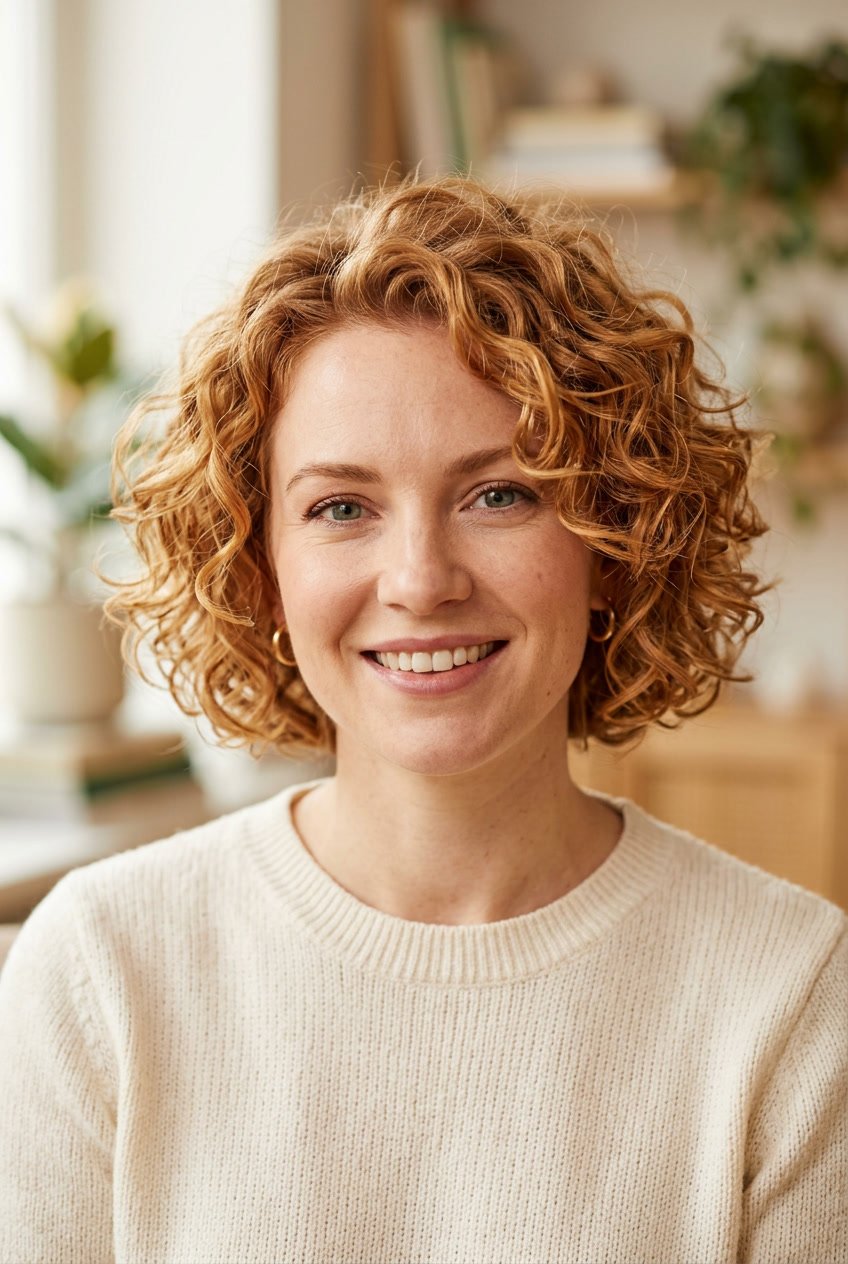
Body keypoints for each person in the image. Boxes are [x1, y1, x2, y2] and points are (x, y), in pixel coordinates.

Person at [1, 177, 845, 1264]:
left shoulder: (788, 998)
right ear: (260, 569)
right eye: (339, 507)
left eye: (497, 493)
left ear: (614, 537)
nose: (419, 579)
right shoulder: (102, 972)